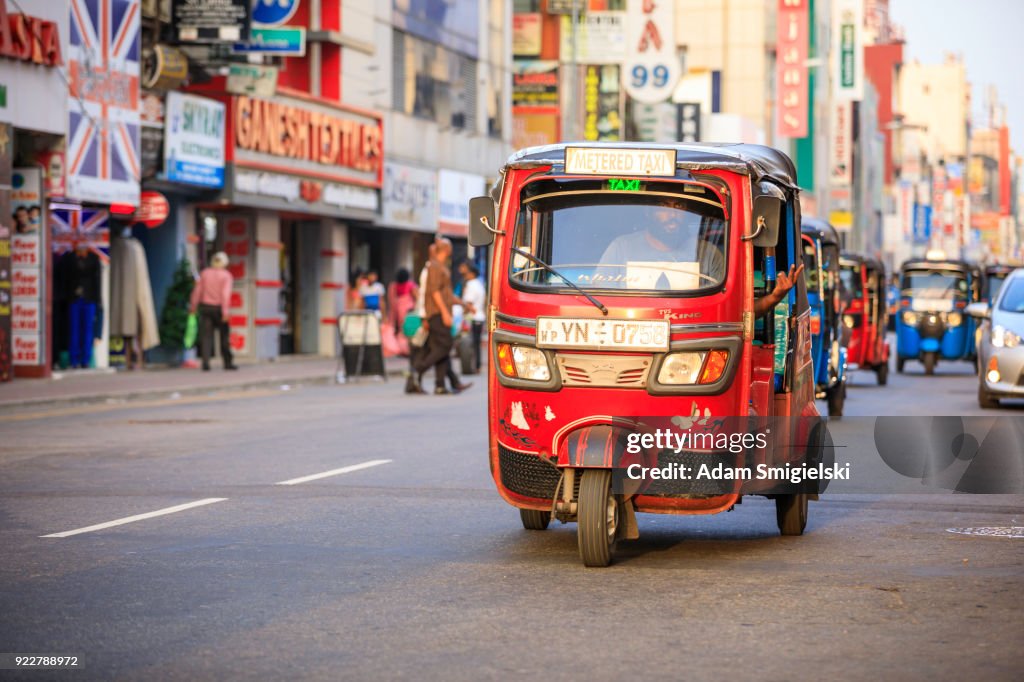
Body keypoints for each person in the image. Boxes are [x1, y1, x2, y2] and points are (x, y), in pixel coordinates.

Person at [599, 200, 801, 318]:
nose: (672, 215)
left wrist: (774, 297)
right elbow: (598, 306)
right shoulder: (621, 248)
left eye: (679, 207)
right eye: (663, 208)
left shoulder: (708, 254)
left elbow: (736, 317)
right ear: (648, 212)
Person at [410, 238, 472, 395]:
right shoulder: (435, 267)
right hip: (437, 314)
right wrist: (445, 313)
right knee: (445, 346)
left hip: (440, 312)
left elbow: (447, 294)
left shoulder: (442, 267)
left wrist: (463, 305)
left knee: (441, 349)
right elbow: (434, 292)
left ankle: (440, 385)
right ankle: (418, 369)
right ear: (445, 249)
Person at [190, 252, 237, 371]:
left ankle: (206, 362)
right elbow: (225, 295)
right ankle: (227, 362)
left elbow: (197, 291)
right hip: (219, 309)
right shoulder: (226, 275)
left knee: (206, 336)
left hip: (205, 307)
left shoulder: (205, 273)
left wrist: (193, 306)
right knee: (224, 336)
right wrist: (226, 312)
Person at [458, 261, 486, 374]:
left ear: (472, 274)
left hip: (473, 318)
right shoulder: (479, 284)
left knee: (470, 344)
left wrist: (464, 311)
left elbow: (469, 304)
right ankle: (477, 366)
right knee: (476, 343)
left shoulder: (471, 285)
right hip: (479, 317)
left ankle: (472, 365)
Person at [387, 267, 418, 357]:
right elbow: (417, 296)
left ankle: (402, 348)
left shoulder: (393, 286)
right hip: (409, 311)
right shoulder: (410, 285)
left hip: (398, 311)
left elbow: (391, 301)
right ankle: (408, 349)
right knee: (410, 331)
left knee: (401, 330)